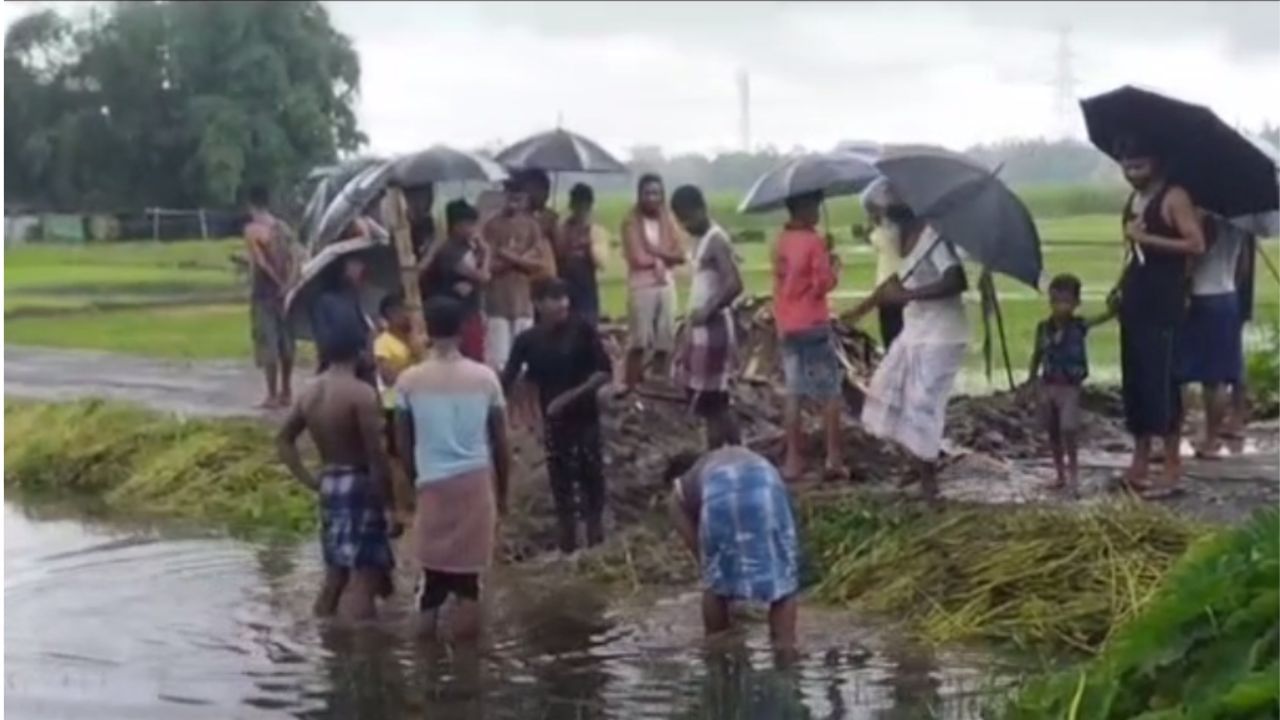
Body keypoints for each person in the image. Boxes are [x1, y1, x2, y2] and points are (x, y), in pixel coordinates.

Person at [394, 297, 512, 642]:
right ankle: (466, 676)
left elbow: (402, 443)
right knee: (469, 586)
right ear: (462, 330)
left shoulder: (409, 381)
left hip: (431, 483)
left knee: (430, 586)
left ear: (427, 331)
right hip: (475, 487)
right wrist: (502, 495)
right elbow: (501, 445)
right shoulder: (485, 379)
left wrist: (413, 481)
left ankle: (424, 670)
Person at [851, 201, 969, 499]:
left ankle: (929, 482)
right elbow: (891, 282)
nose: (886, 209)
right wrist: (857, 311)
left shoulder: (934, 236)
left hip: (942, 333)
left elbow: (956, 279)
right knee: (888, 389)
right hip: (915, 330)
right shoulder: (899, 237)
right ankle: (916, 466)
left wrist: (909, 295)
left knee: (922, 402)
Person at [276, 331, 395, 623]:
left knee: (336, 571)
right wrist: (390, 505)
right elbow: (376, 455)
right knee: (363, 576)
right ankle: (362, 654)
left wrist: (308, 478)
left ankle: (326, 634)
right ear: (358, 352)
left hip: (330, 482)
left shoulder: (310, 391)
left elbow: (283, 440)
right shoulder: (361, 394)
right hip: (359, 484)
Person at [1112, 139, 1205, 495]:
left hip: (1163, 303)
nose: (1132, 173)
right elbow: (1134, 251)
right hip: (1135, 300)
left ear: (1157, 162)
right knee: (1136, 381)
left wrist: (1148, 239)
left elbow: (1194, 244)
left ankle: (1171, 465)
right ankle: (1139, 461)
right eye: (1126, 167)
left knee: (1162, 381)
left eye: (1139, 166)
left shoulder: (1174, 197)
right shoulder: (1133, 202)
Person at [663, 413, 799, 651]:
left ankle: (717, 649)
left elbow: (700, 551)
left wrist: (709, 566)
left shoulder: (686, 481)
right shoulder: (752, 456)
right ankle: (785, 650)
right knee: (783, 583)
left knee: (715, 582)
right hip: (767, 484)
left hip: (720, 490)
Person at [500, 278, 613, 554]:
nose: (562, 304)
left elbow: (603, 372)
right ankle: (568, 547)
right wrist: (523, 410)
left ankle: (596, 542)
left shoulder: (582, 330)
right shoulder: (527, 341)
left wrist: (568, 397)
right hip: (553, 422)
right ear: (538, 304)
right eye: (554, 299)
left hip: (584, 415)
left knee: (592, 477)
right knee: (560, 482)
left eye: (564, 298)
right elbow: (507, 381)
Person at [771, 190, 845, 483]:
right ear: (802, 207)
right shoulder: (813, 242)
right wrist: (834, 265)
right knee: (830, 392)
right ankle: (834, 458)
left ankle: (793, 461)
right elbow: (822, 285)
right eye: (814, 205)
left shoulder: (781, 241)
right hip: (813, 323)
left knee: (794, 392)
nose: (817, 210)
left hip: (787, 324)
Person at [1025, 274, 1115, 493]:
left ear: (1076, 303)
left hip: (1069, 386)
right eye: (1056, 302)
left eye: (1066, 302)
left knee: (1069, 428)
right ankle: (1060, 474)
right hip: (1048, 385)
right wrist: (1030, 380)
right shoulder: (1043, 329)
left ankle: (1073, 473)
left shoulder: (1079, 326)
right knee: (1052, 430)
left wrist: (1116, 305)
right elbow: (1037, 354)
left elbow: (1103, 317)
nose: (1061, 307)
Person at [670, 184, 744, 438]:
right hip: (702, 329)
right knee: (706, 401)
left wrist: (707, 310)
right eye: (682, 222)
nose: (686, 226)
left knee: (714, 400)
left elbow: (734, 284)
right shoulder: (701, 241)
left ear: (701, 209)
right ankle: (718, 455)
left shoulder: (716, 239)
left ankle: (732, 452)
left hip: (714, 327)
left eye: (688, 219)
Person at [1182, 213, 1245, 459]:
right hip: (1227, 292)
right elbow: (1243, 265)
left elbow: (1193, 257)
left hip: (1200, 294)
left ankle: (1177, 434)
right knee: (1217, 377)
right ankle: (1211, 437)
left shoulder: (1202, 217)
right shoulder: (1240, 220)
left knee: (1183, 374)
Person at [482, 180, 557, 370]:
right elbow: (488, 265)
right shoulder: (491, 226)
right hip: (497, 304)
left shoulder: (532, 226)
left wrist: (508, 256)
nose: (514, 201)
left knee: (525, 362)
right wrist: (520, 260)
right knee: (499, 362)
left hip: (523, 303)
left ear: (525, 199)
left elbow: (539, 264)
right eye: (510, 196)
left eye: (518, 197)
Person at [622, 173, 686, 389]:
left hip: (666, 284)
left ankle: (658, 386)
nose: (652, 198)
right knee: (639, 341)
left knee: (665, 339)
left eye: (656, 193)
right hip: (641, 286)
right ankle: (631, 387)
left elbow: (681, 254)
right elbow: (637, 257)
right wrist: (660, 260)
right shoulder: (630, 221)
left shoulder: (668, 219)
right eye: (647, 193)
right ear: (639, 195)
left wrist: (657, 254)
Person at [244, 185, 298, 408]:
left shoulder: (252, 230)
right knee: (287, 342)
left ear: (250, 205)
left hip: (265, 292)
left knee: (269, 343)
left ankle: (272, 395)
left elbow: (261, 262)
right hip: (286, 293)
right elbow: (296, 258)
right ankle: (287, 391)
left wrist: (276, 283)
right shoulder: (283, 228)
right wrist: (289, 285)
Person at [422, 199, 489, 363]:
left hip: (471, 310)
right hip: (456, 314)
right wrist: (487, 252)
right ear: (457, 225)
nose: (474, 229)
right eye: (469, 224)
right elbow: (483, 277)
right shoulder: (449, 250)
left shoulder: (469, 247)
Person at [374, 293, 419, 519]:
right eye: (403, 311)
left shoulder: (412, 340)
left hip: (414, 403)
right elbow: (388, 376)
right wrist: (414, 371)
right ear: (390, 315)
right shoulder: (383, 343)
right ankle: (402, 505)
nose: (407, 316)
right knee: (398, 455)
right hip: (393, 404)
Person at [310, 253, 377, 388]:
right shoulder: (325, 301)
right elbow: (325, 341)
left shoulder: (352, 298)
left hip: (356, 361)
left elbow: (364, 330)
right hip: (338, 363)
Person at [555, 183, 608, 325]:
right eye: (577, 205)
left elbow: (601, 263)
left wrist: (589, 243)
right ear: (572, 205)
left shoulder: (596, 231)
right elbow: (558, 253)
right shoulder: (561, 229)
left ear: (589, 206)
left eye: (584, 206)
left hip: (586, 289)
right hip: (564, 286)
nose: (580, 210)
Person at [861, 178, 904, 349]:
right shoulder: (894, 229)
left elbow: (873, 237)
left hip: (889, 289)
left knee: (892, 339)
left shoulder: (887, 231)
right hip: (892, 289)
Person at [522, 168, 561, 247]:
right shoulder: (517, 215)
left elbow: (559, 248)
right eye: (536, 189)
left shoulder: (550, 218)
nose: (546, 195)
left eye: (546, 191)